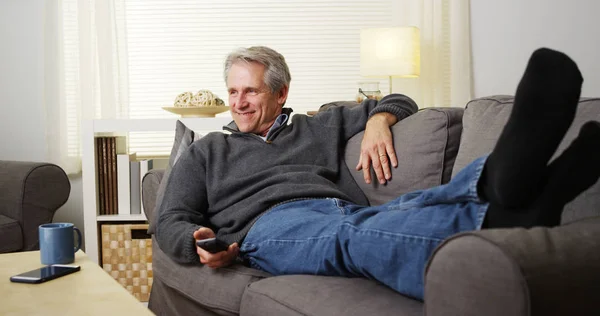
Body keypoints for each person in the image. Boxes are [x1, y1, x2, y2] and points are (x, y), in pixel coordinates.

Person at [155, 46, 600, 300]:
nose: (238, 102)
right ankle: (517, 193)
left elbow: (400, 100)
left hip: (341, 208)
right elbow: (171, 217)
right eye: (233, 91)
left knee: (409, 206)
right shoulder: (211, 149)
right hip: (270, 226)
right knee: (350, 239)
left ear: (280, 92)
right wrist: (195, 243)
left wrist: (376, 122)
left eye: (250, 90)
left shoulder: (318, 124)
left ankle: (502, 185)